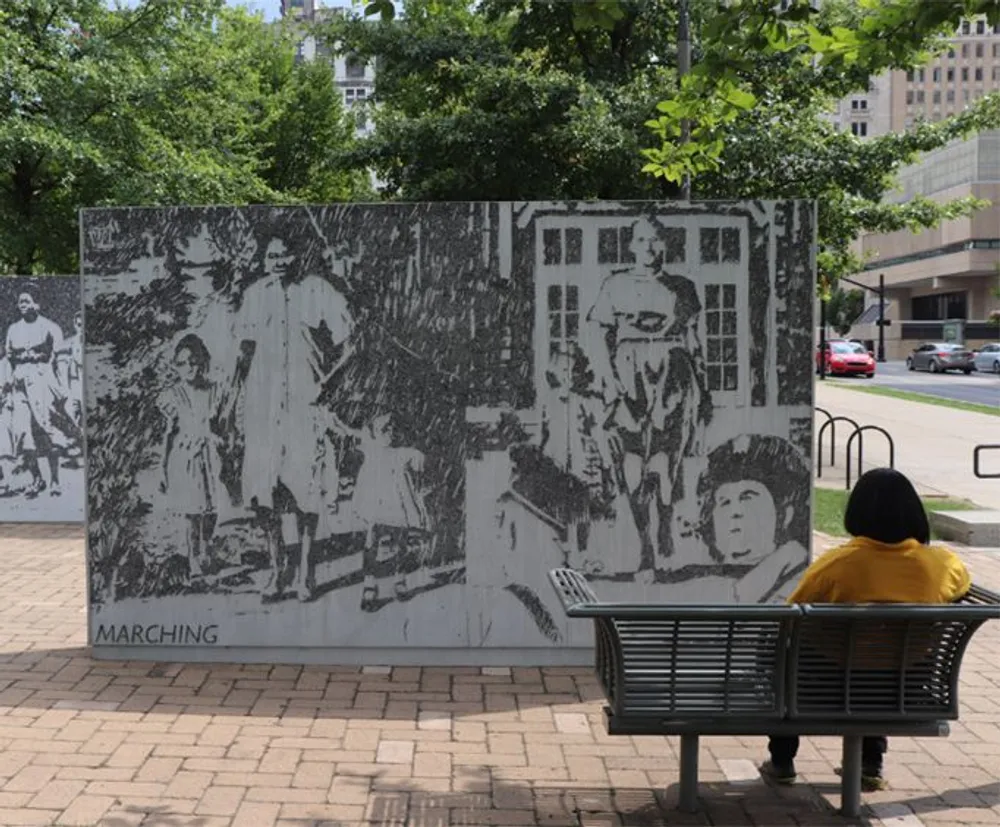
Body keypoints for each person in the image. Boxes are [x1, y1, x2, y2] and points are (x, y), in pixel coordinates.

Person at [759, 468, 971, 792]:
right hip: (905, 690)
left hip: (822, 689)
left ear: (857, 512)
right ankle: (870, 762)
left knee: (784, 655)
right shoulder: (941, 565)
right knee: (884, 659)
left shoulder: (838, 565)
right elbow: (961, 584)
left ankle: (783, 759)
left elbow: (792, 614)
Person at [231, 228, 355, 603]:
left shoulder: (318, 290)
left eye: (286, 255)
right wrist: (232, 405)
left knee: (307, 493)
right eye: (272, 257)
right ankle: (275, 572)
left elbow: (351, 344)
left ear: (299, 256)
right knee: (264, 496)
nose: (279, 263)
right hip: (262, 409)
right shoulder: (254, 296)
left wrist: (327, 385)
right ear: (263, 260)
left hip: (305, 407)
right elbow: (242, 355)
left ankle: (306, 573)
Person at [585, 219, 713, 574]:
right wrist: (610, 384)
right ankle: (643, 540)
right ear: (632, 246)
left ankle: (665, 523)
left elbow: (694, 341)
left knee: (667, 460)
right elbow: (598, 336)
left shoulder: (682, 287)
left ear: (664, 245)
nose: (649, 247)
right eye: (642, 240)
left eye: (656, 240)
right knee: (631, 464)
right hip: (629, 374)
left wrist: (703, 390)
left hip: (673, 374)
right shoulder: (616, 284)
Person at [695, 434, 811, 602]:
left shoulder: (793, 585)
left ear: (785, 514)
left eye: (747, 498)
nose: (734, 512)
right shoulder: (699, 582)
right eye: (724, 502)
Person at [159, 335, 223, 579]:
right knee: (192, 511)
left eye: (194, 362)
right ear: (176, 365)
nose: (189, 368)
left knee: (212, 509)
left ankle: (207, 550)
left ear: (203, 362)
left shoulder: (213, 391)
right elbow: (168, 434)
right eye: (183, 363)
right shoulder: (173, 395)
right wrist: (162, 469)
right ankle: (192, 558)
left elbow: (221, 424)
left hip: (211, 456)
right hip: (186, 458)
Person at [5, 289, 71, 497]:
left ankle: (54, 480)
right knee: (22, 432)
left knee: (47, 430)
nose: (22, 304)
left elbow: (60, 360)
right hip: (20, 383)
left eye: (27, 300)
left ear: (38, 304)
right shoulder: (13, 329)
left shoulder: (50, 328)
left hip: (43, 381)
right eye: (20, 301)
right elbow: (9, 359)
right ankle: (37, 478)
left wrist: (63, 388)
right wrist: (8, 382)